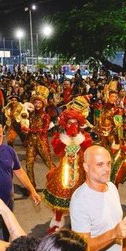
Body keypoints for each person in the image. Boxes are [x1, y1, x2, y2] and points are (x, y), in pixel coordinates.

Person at [44, 98, 93, 232]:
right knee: (62, 193)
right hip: (64, 171)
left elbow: (89, 151)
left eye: (75, 122)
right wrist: (64, 141)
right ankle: (58, 220)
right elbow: (57, 151)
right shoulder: (59, 137)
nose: (72, 125)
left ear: (79, 123)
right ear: (65, 123)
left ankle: (80, 222)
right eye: (70, 122)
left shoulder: (85, 137)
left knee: (81, 198)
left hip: (81, 172)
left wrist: (80, 140)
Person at [22, 85, 55, 189]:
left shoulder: (45, 116)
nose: (37, 105)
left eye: (39, 103)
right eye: (36, 102)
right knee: (28, 164)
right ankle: (31, 186)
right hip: (31, 143)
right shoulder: (31, 115)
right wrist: (26, 138)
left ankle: (57, 182)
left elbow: (44, 130)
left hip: (42, 143)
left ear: (43, 104)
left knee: (49, 163)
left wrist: (30, 130)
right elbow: (28, 127)